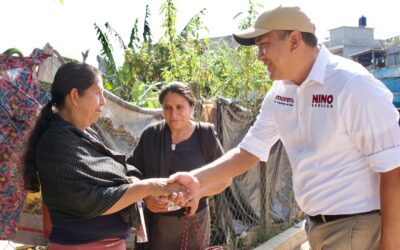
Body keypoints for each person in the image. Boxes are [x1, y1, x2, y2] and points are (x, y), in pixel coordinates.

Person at [169, 6, 400, 250]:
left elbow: (393, 168)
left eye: (264, 44)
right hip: (315, 227)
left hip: (358, 227)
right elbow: (249, 151)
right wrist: (196, 179)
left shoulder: (352, 84)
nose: (260, 56)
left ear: (294, 40)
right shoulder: (281, 92)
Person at [23, 62, 185, 250]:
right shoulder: (57, 144)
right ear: (75, 96)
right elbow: (89, 200)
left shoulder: (85, 133)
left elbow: (118, 164)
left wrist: (138, 186)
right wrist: (148, 187)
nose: (103, 101)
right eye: (98, 92)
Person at [127, 82, 231, 250]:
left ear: (192, 107)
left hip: (193, 222)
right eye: (167, 108)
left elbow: (225, 178)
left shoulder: (205, 135)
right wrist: (146, 197)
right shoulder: (151, 136)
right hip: (155, 225)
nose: (173, 114)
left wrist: (198, 193)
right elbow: (132, 172)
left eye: (179, 107)